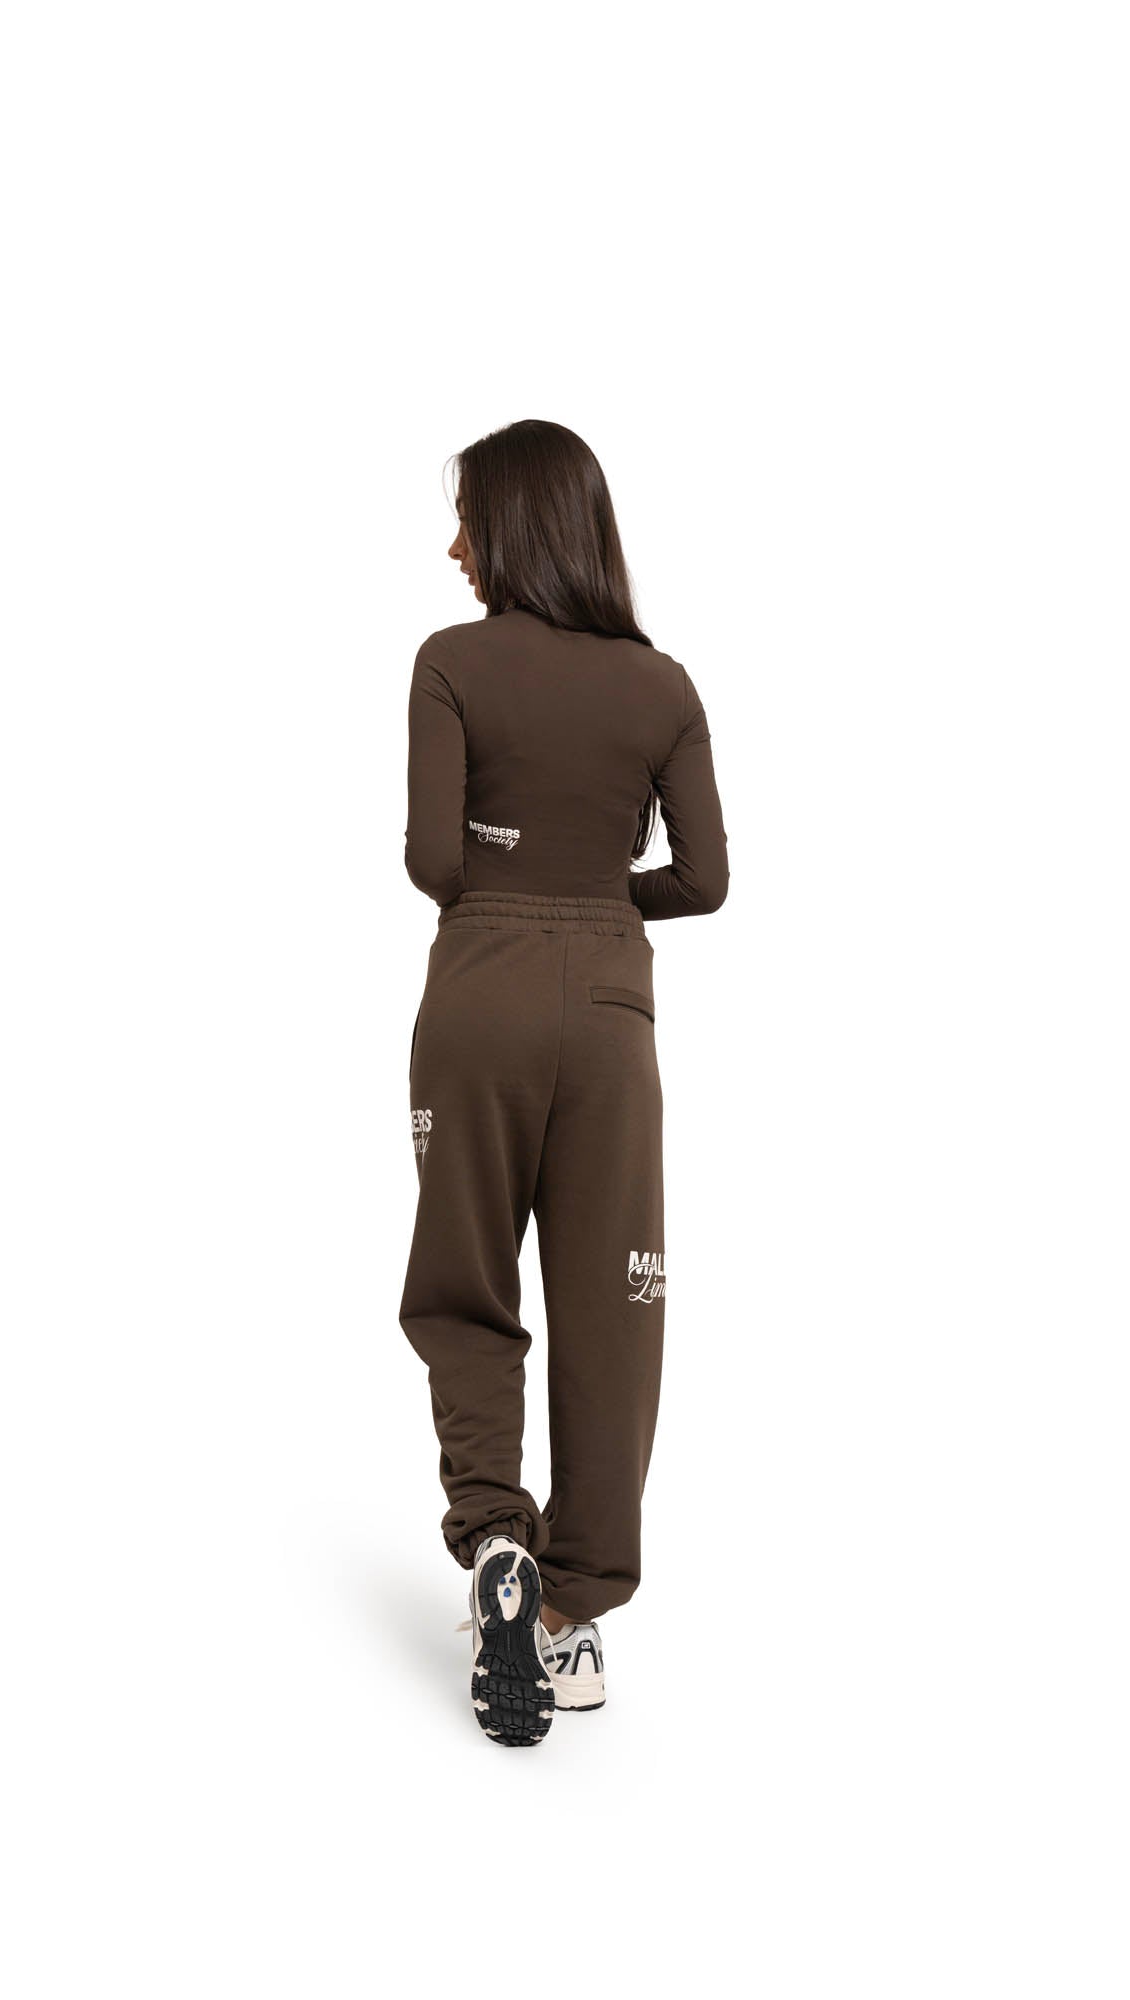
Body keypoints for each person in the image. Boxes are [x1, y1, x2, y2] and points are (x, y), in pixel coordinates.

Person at [399, 419, 729, 1746]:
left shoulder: (451, 663)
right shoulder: (662, 687)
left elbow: (435, 862)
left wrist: (510, 872)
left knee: (466, 1276)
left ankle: (495, 1541)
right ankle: (573, 1612)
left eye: (468, 519)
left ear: (516, 527)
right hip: (607, 1010)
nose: (454, 547)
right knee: (614, 1298)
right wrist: (600, 894)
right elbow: (704, 879)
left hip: (477, 991)